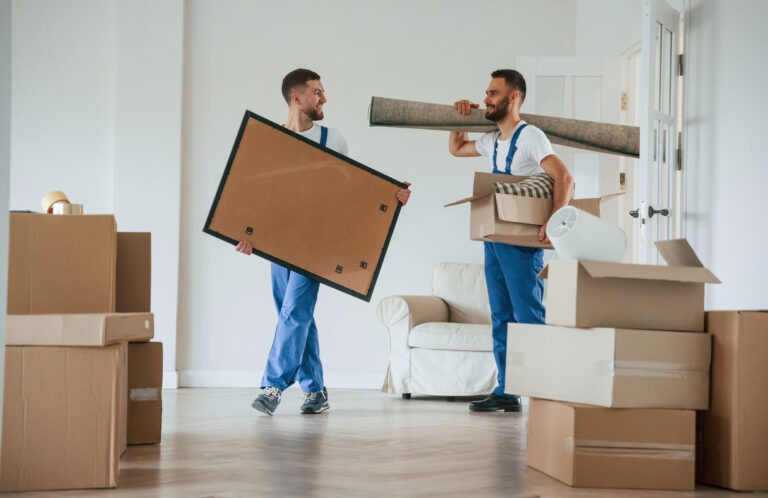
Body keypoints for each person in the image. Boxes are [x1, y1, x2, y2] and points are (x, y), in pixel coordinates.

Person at [236, 68, 411, 416]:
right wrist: (246, 234)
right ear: (296, 98)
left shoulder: (333, 139)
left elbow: (352, 189)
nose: (324, 98)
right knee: (293, 315)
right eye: (317, 92)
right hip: (277, 241)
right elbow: (262, 194)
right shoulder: (271, 139)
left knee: (294, 311)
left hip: (316, 243)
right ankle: (315, 390)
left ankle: (272, 386)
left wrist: (391, 196)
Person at [449, 69, 573, 413]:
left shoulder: (531, 136)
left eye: (493, 93)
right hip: (493, 237)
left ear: (513, 97)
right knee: (501, 315)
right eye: (487, 93)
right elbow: (456, 148)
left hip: (520, 242)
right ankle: (507, 390)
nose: (486, 98)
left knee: (528, 315)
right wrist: (458, 119)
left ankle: (548, 391)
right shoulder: (491, 140)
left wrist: (555, 219)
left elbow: (563, 177)